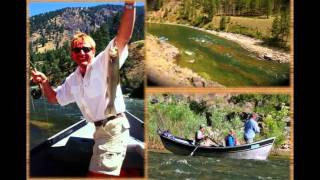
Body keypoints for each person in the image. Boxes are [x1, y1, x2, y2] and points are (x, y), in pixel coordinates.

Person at [31, 1, 136, 177]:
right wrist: (45, 82)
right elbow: (54, 99)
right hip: (98, 132)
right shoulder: (73, 79)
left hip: (114, 129)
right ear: (72, 54)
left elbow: (123, 38)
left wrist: (130, 5)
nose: (81, 53)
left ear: (93, 51)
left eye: (85, 49)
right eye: (77, 50)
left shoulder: (104, 62)